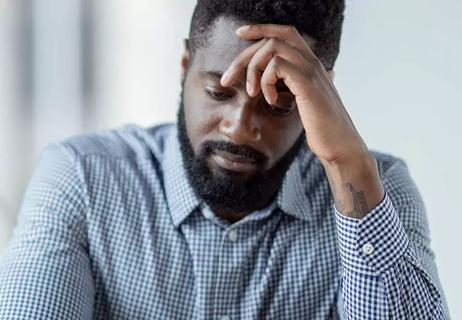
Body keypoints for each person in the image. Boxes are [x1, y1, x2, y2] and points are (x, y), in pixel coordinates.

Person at [0, 0, 450, 319]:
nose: (239, 127)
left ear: (322, 93)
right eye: (218, 91)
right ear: (184, 66)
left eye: (278, 102)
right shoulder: (82, 177)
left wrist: (347, 165)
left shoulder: (376, 188)